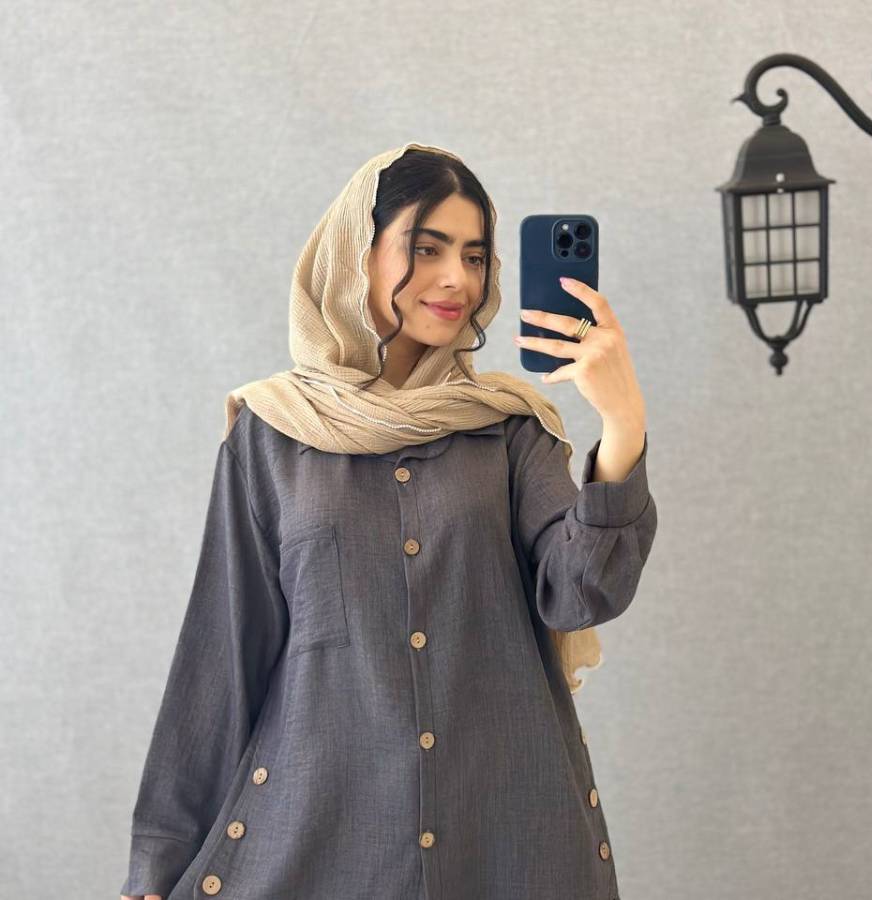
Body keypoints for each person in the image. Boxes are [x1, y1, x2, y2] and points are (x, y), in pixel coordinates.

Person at [119, 141, 657, 900]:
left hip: (503, 837)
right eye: (427, 248)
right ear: (357, 254)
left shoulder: (510, 429)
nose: (457, 278)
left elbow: (580, 594)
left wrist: (623, 425)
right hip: (322, 840)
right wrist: (158, 861)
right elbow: (223, 653)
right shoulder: (272, 434)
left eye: (475, 255)